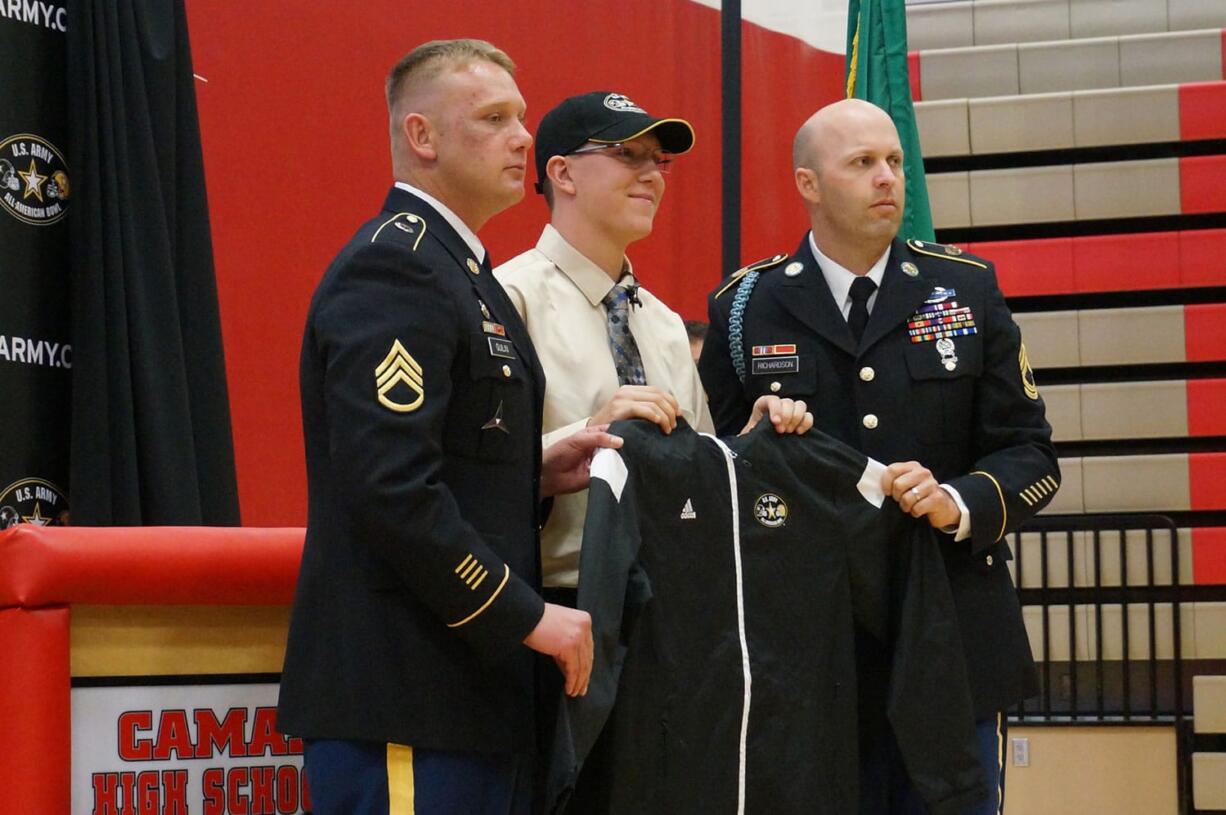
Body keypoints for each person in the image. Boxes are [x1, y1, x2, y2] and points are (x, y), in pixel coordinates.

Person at [277, 39, 619, 815]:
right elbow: (388, 486)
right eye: (494, 118)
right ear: (422, 137)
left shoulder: (460, 272)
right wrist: (525, 613)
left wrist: (533, 473)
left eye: (522, 118)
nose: (523, 137)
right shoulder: (396, 268)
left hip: (462, 696)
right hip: (404, 696)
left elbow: (440, 459)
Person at [698, 98, 1060, 815]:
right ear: (808, 184)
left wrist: (958, 499)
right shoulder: (746, 305)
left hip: (949, 633)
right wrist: (754, 440)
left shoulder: (964, 288)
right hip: (807, 647)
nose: (888, 178)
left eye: (893, 161)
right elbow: (711, 472)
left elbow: (1032, 453)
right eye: (862, 163)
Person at [495, 91, 810, 605]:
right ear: (563, 173)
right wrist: (589, 433)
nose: (652, 175)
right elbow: (470, 475)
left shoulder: (664, 324)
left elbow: (699, 483)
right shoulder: (505, 301)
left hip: (671, 602)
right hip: (550, 599)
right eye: (626, 154)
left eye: (658, 160)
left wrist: (748, 447)